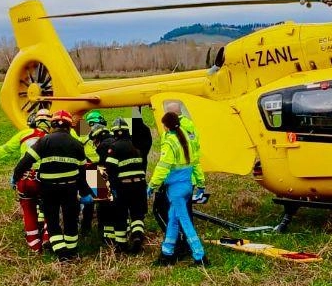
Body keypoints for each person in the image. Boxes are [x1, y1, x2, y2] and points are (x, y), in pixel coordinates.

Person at [13, 110, 93, 261]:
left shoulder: (44, 141)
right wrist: (85, 192)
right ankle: (71, 250)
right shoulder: (76, 144)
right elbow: (82, 174)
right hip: (70, 188)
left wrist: (16, 176)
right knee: (70, 220)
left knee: (52, 220)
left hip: (48, 189)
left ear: (53, 124)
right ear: (69, 126)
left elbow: (26, 161)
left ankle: (61, 252)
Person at [0, 108, 53, 253]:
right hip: (44, 180)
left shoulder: (24, 134)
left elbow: (3, 149)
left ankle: (34, 246)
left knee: (29, 211)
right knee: (50, 208)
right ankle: (48, 238)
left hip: (24, 178)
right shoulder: (53, 137)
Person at [149, 111, 208, 266]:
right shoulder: (187, 139)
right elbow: (196, 163)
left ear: (166, 126)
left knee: (185, 222)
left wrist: (152, 185)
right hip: (187, 185)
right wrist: (201, 184)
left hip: (175, 189)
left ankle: (200, 255)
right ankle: (166, 253)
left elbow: (163, 167)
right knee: (173, 220)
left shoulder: (170, 143)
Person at [100, 117, 148, 253]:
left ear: (115, 133)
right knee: (137, 214)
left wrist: (113, 188)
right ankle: (138, 235)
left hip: (123, 186)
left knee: (120, 215)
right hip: (139, 185)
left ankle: (121, 245)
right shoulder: (136, 146)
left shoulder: (114, 147)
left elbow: (110, 169)